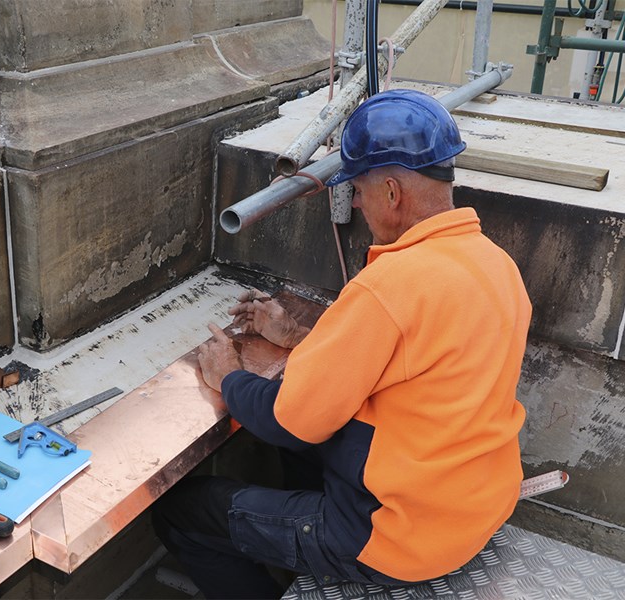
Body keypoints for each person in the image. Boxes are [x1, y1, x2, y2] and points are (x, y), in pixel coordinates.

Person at [152, 89, 532, 599]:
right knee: (305, 461)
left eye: (357, 188)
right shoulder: (495, 264)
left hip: (395, 538)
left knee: (182, 511)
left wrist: (229, 377)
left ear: (392, 193)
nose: (354, 200)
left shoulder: (391, 284)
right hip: (475, 505)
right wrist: (294, 337)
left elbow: (293, 419)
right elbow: (406, 360)